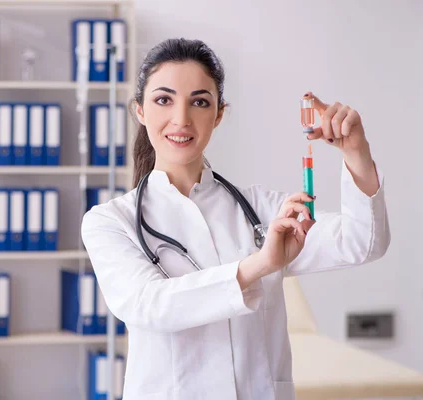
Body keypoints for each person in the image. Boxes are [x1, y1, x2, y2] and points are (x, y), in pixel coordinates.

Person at [80, 38, 390, 400]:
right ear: (140, 111)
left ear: (219, 114)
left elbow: (362, 241)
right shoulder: (109, 222)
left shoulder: (261, 209)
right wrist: (259, 265)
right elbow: (151, 305)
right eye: (164, 100)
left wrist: (356, 151)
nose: (181, 119)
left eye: (199, 101)